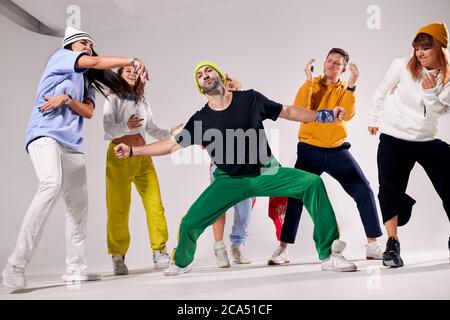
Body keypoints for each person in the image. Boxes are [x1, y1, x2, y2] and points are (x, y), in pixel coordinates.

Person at [115, 60, 358, 276]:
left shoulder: (250, 99)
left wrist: (324, 116)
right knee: (190, 222)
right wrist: (133, 150)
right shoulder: (201, 119)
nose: (205, 75)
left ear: (220, 76)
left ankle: (328, 255)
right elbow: (170, 146)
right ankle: (181, 262)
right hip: (228, 180)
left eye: (209, 70)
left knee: (312, 183)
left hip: (265, 172)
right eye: (200, 75)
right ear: (200, 87)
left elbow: (288, 111)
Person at [1, 26, 148, 289]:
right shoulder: (59, 58)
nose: (88, 47)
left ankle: (75, 269)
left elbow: (88, 111)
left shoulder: (87, 81)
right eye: (83, 43)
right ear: (70, 46)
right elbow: (96, 61)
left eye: (90, 44)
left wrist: (67, 99)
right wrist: (132, 60)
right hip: (44, 134)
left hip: (71, 146)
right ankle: (15, 264)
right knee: (50, 184)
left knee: (78, 207)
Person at [269, 48, 384, 266]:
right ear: (324, 64)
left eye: (337, 63)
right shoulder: (313, 85)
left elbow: (347, 114)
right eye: (329, 61)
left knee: (364, 190)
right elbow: (300, 109)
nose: (332, 65)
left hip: (337, 151)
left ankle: (372, 243)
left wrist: (352, 83)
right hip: (309, 150)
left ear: (343, 68)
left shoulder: (344, 89)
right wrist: (309, 80)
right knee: (295, 196)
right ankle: (282, 248)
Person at [368, 22, 450, 267]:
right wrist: (374, 118)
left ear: (440, 48)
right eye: (417, 48)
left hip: (425, 139)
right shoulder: (401, 66)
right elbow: (381, 92)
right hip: (394, 136)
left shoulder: (447, 76)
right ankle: (392, 245)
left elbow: (441, 109)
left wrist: (431, 91)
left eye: (426, 48)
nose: (420, 53)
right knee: (389, 189)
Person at [103, 66, 182, 274]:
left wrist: (169, 133)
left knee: (154, 204)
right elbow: (108, 129)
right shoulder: (112, 100)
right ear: (119, 76)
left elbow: (152, 129)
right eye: (127, 70)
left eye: (135, 72)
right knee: (118, 208)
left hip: (142, 155)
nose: (132, 73)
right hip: (119, 156)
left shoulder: (141, 102)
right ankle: (118, 256)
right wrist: (126, 127)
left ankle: (160, 251)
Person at [209, 74, 253, 268]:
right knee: (218, 207)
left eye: (233, 87)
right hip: (220, 168)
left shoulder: (245, 109)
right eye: (226, 87)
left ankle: (237, 245)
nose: (229, 89)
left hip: (245, 168)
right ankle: (219, 248)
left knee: (244, 211)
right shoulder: (212, 111)